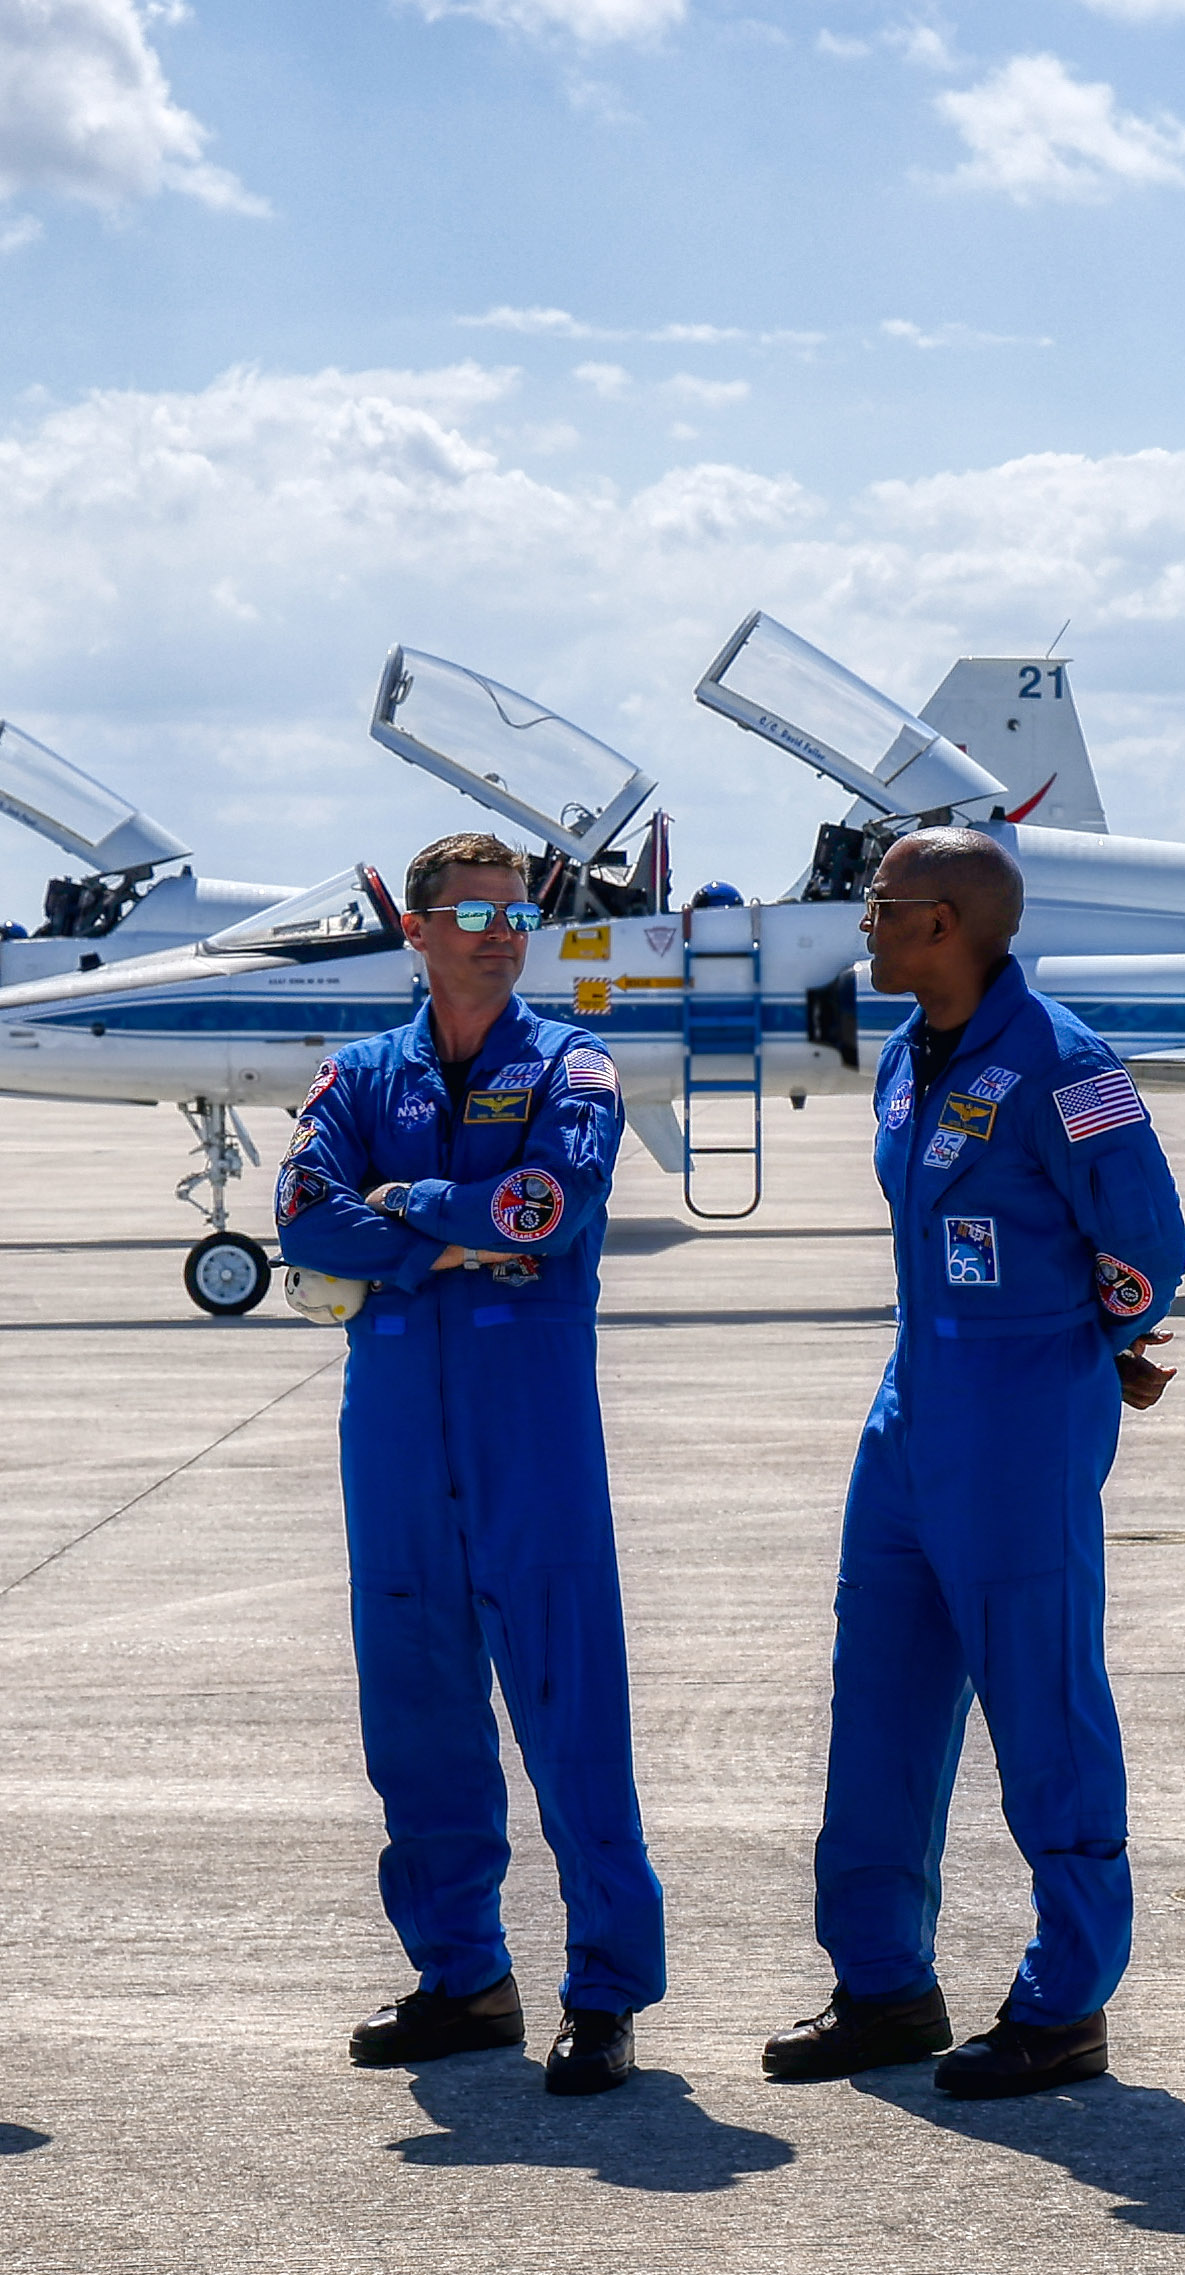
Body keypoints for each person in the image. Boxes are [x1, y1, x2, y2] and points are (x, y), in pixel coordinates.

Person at [763, 827, 1185, 2100]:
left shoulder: (1067, 1068)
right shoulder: (906, 1053)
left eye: (880, 906)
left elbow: (1145, 1245)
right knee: (879, 1702)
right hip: (910, 1408)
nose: (863, 926)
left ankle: (1065, 2001)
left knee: (1042, 1705)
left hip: (1015, 1415)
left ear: (942, 923)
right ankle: (882, 1984)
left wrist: (1085, 1348)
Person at [275, 831, 665, 2092]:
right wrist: (458, 1226)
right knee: (415, 1712)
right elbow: (300, 1214)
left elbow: (549, 1208)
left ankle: (603, 1991)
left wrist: (398, 1212)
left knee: (569, 1709)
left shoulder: (572, 1063)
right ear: (419, 930)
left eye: (516, 915)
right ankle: (463, 1977)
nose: (501, 934)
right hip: (390, 1432)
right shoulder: (358, 1075)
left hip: (526, 1426)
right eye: (474, 914)